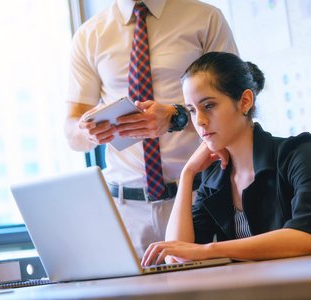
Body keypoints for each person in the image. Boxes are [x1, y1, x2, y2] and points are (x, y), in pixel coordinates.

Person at [64, 0, 238, 258]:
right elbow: (71, 131)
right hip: (127, 212)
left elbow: (237, 105)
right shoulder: (90, 35)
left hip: (199, 198)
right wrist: (87, 132)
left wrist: (177, 116)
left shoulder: (205, 18)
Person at [141, 52, 311, 266]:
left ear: (245, 101)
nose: (199, 121)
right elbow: (176, 256)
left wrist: (208, 250)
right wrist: (188, 173)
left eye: (208, 106)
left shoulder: (297, 153)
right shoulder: (214, 175)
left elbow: (307, 240)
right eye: (191, 110)